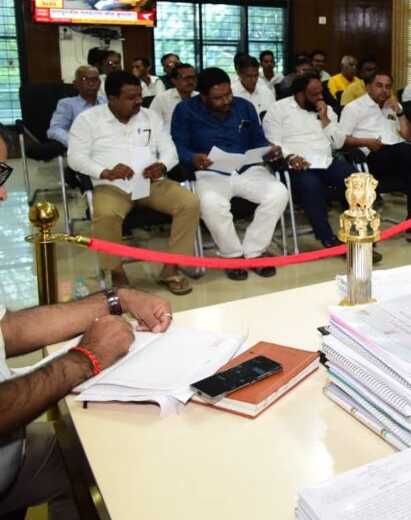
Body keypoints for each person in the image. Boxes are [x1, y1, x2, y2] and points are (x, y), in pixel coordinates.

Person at [0, 286, 171, 519]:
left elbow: (9, 329)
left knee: (83, 455)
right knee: (100, 473)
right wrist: (87, 358)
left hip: (12, 451)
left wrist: (118, 300)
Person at [67, 71, 199, 295]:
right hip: (112, 185)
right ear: (112, 98)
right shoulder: (88, 119)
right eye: (131, 97)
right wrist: (105, 171)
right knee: (105, 215)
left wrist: (163, 165)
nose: (138, 101)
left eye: (139, 95)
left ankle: (171, 267)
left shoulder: (150, 117)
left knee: (190, 203)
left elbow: (169, 149)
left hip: (151, 182)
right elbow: (75, 157)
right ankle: (116, 271)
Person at [171, 68, 288, 280]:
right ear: (203, 96)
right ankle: (232, 256)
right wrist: (192, 157)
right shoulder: (185, 110)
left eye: (228, 95)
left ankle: (254, 252)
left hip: (246, 168)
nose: (226, 101)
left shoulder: (244, 106)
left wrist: (269, 149)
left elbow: (257, 139)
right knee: (211, 203)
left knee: (278, 193)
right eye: (218, 98)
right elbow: (178, 145)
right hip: (210, 171)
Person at [262, 73, 375, 257]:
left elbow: (338, 143)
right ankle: (328, 239)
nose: (320, 97)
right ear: (300, 94)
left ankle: (359, 232)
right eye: (315, 94)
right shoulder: (278, 109)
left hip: (325, 162)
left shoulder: (326, 110)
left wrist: (325, 120)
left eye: (321, 92)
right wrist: (290, 156)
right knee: (312, 186)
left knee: (359, 179)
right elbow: (272, 141)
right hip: (296, 166)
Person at [339, 71, 411, 248]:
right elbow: (342, 140)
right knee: (405, 150)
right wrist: (365, 142)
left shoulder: (393, 106)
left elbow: (408, 136)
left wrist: (400, 113)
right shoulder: (353, 108)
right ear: (368, 87)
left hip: (399, 157)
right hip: (371, 158)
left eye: (388, 87)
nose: (384, 90)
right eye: (379, 86)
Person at [47, 65, 105, 147]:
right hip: (82, 147)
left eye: (94, 79)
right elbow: (55, 129)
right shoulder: (66, 104)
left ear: (99, 83)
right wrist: (76, 143)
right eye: (84, 79)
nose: (91, 83)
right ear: (76, 84)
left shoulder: (107, 102)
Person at [149, 63, 197, 129]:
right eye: (185, 78)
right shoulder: (161, 99)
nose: (190, 81)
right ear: (174, 81)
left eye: (193, 77)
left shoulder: (201, 97)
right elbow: (152, 123)